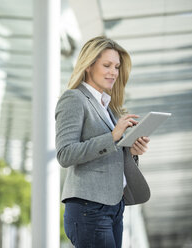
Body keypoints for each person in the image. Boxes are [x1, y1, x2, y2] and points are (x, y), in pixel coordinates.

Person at [55, 36, 151, 248]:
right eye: (106, 65)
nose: (113, 72)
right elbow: (65, 154)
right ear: (88, 66)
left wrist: (132, 150)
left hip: (114, 205)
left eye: (116, 67)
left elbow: (112, 152)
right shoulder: (74, 99)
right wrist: (113, 136)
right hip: (89, 207)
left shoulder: (109, 108)